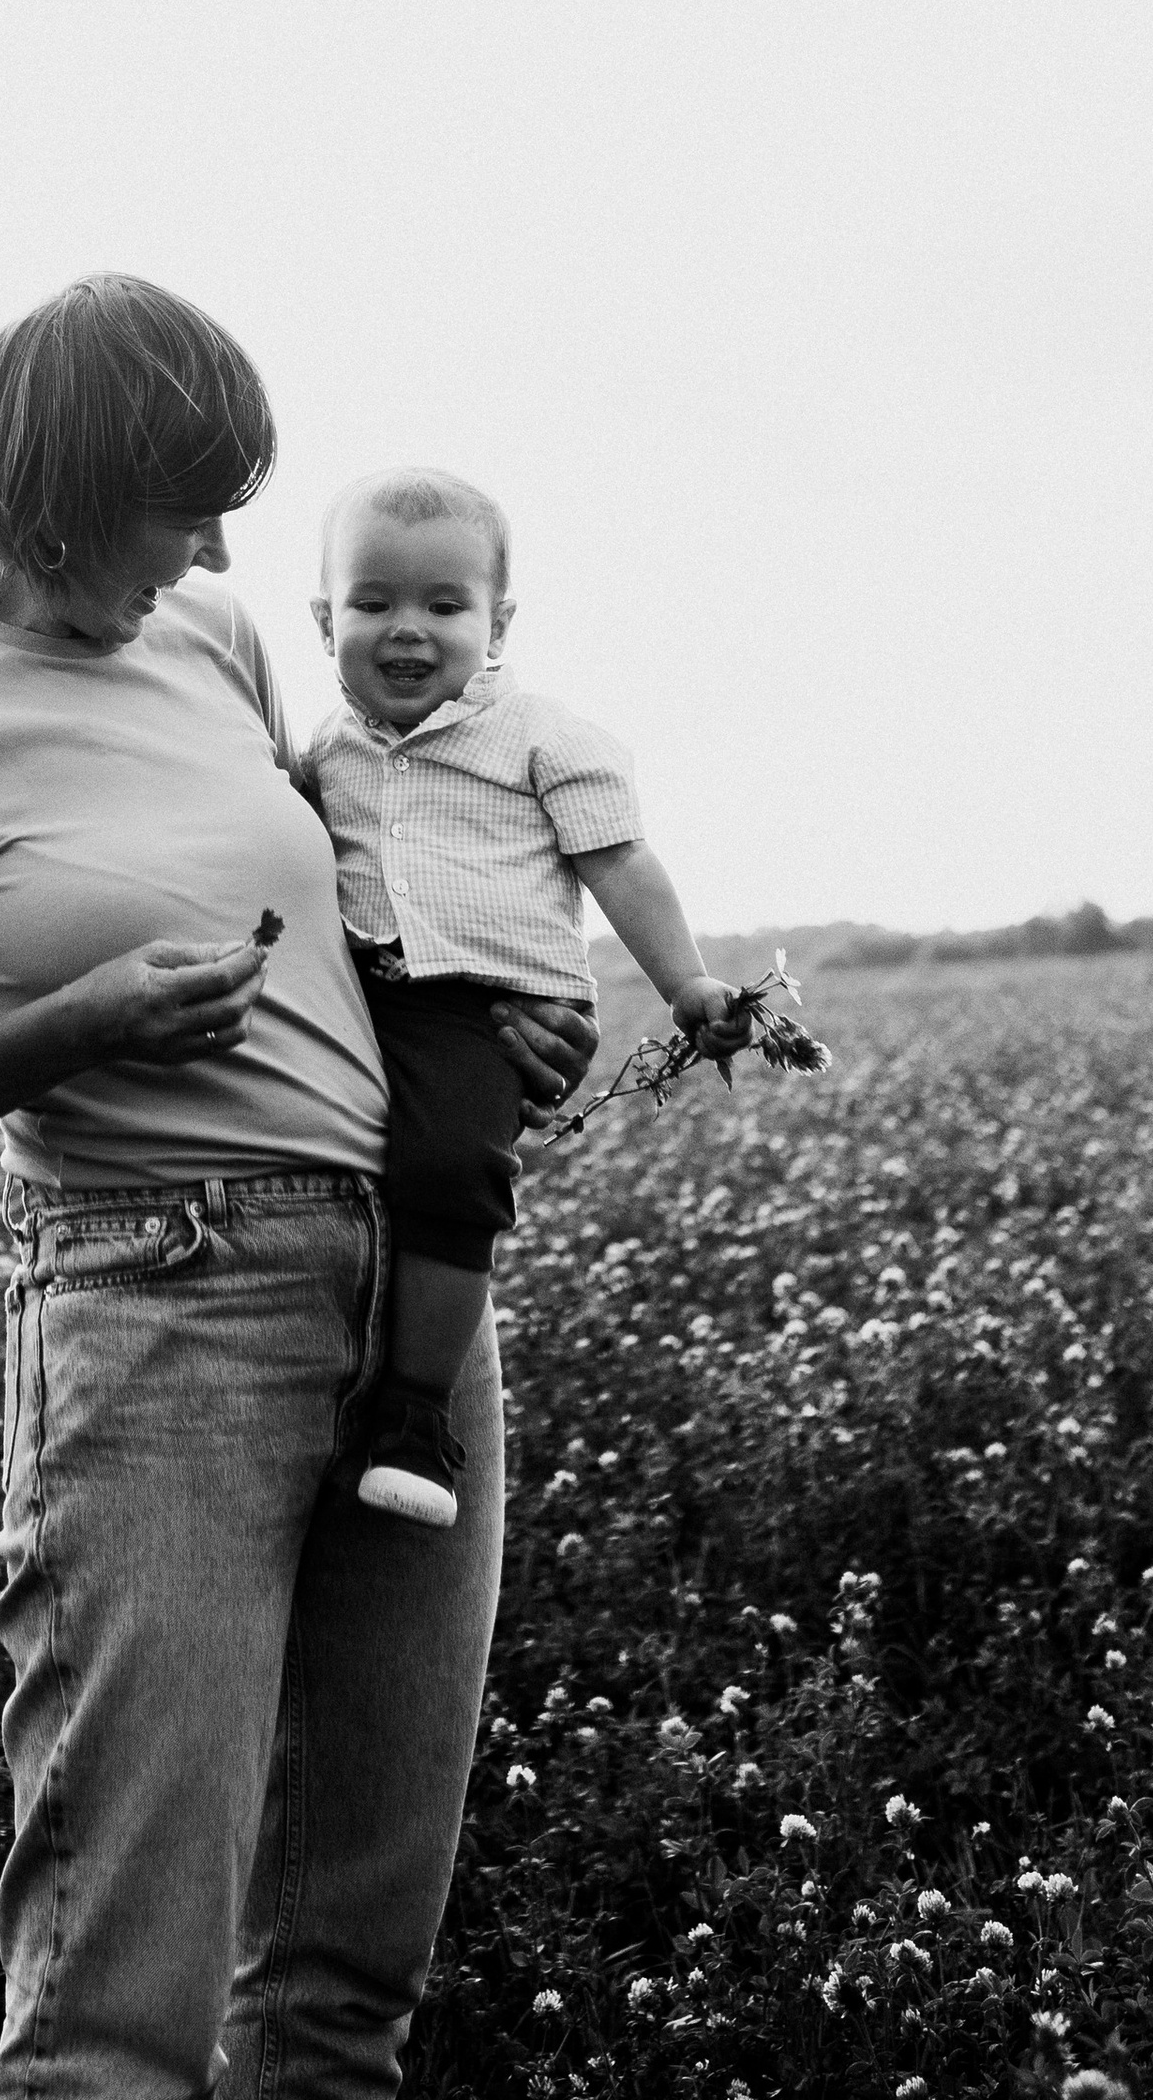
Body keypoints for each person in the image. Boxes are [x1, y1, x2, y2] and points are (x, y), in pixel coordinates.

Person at [0, 277, 599, 2100]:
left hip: (406, 1304)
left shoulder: (209, 636)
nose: (219, 542)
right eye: (185, 501)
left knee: (346, 1979)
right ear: (58, 493)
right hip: (160, 1312)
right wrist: (75, 1023)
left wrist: (487, 1018)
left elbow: (348, 895)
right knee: (120, 2007)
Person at [307, 468, 739, 1530]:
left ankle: (415, 1413)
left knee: (449, 1170)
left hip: (487, 1008)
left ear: (496, 621)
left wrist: (684, 984)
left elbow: (621, 862)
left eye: (443, 606)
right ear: (324, 619)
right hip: (367, 993)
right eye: (373, 604)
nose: (407, 630)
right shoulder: (319, 747)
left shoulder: (543, 737)